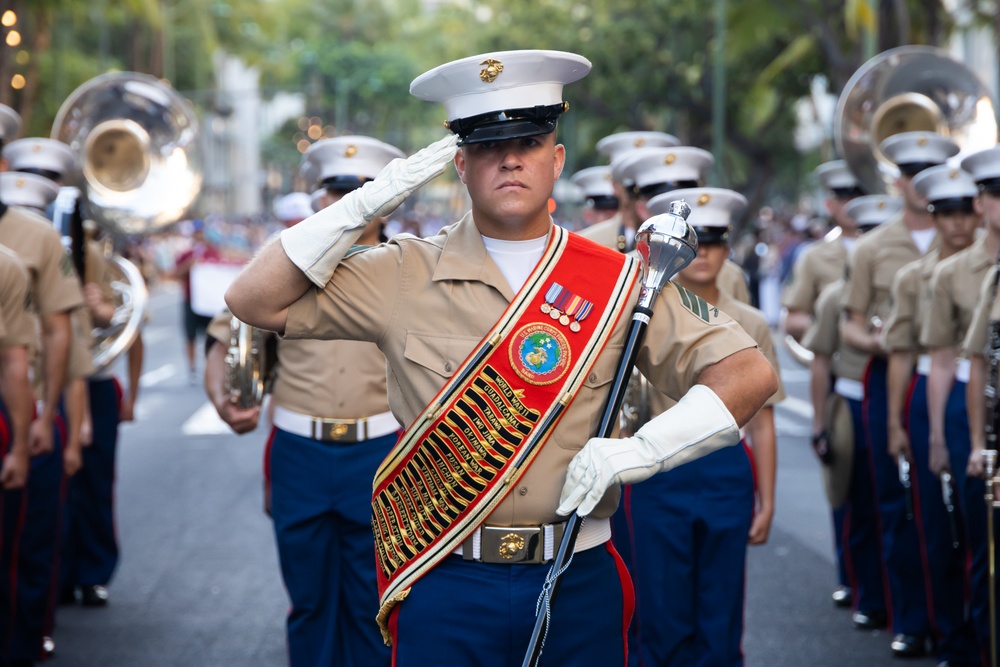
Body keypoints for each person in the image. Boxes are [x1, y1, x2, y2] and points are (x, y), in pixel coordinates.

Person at [225, 49, 777, 666]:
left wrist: (644, 450)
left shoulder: (620, 279)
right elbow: (253, 300)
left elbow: (748, 371)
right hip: (445, 574)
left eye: (531, 139)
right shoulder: (401, 272)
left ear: (556, 157)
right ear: (459, 164)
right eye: (488, 145)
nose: (511, 157)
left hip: (576, 572)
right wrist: (360, 206)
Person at [205, 136, 404, 667]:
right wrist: (225, 403)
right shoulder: (284, 266)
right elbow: (225, 336)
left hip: (382, 452)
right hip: (300, 450)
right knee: (310, 602)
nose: (349, 203)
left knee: (375, 606)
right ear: (319, 198)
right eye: (338, 191)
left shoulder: (412, 265)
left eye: (364, 191)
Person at [620, 186, 784, 666]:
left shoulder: (750, 320)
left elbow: (765, 419)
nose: (705, 253)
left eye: (714, 242)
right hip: (658, 467)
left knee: (720, 615)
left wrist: (768, 500)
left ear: (729, 247)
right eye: (697, 242)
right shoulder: (642, 312)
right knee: (661, 615)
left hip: (725, 467)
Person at [840, 130, 955, 658]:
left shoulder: (969, 239)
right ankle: (909, 618)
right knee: (897, 502)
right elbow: (851, 326)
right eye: (910, 174)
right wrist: (882, 341)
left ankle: (956, 622)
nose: (917, 184)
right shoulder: (873, 246)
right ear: (898, 180)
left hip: (954, 377)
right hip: (892, 377)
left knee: (955, 509)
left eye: (928, 174)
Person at [881, 164, 981, 667]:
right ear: (934, 216)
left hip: (983, 390)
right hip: (934, 394)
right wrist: (898, 424)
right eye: (947, 213)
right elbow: (901, 352)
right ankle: (950, 636)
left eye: (967, 210)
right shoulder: (914, 276)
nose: (958, 223)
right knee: (936, 525)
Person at [0, 108, 85, 667]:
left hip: (20, 405)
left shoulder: (34, 237)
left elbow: (58, 332)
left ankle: (27, 642)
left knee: (28, 545)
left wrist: (47, 414)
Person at [802, 195, 898, 632]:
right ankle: (867, 594)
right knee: (858, 503)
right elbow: (821, 359)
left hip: (894, 401)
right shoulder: (837, 296)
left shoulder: (911, 283)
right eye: (866, 233)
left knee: (897, 507)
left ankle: (901, 600)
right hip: (853, 401)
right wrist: (820, 422)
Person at [947, 144, 1000, 663]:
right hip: (994, 434)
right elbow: (976, 361)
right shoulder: (993, 277)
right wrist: (974, 444)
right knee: (987, 559)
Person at [174, 219, 221, 383]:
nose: (199, 236)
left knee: (212, 336)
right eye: (196, 233)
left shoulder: (213, 252)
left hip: (209, 303)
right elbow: (175, 275)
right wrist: (190, 264)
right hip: (190, 300)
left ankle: (211, 368)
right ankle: (192, 369)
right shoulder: (186, 254)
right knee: (190, 336)